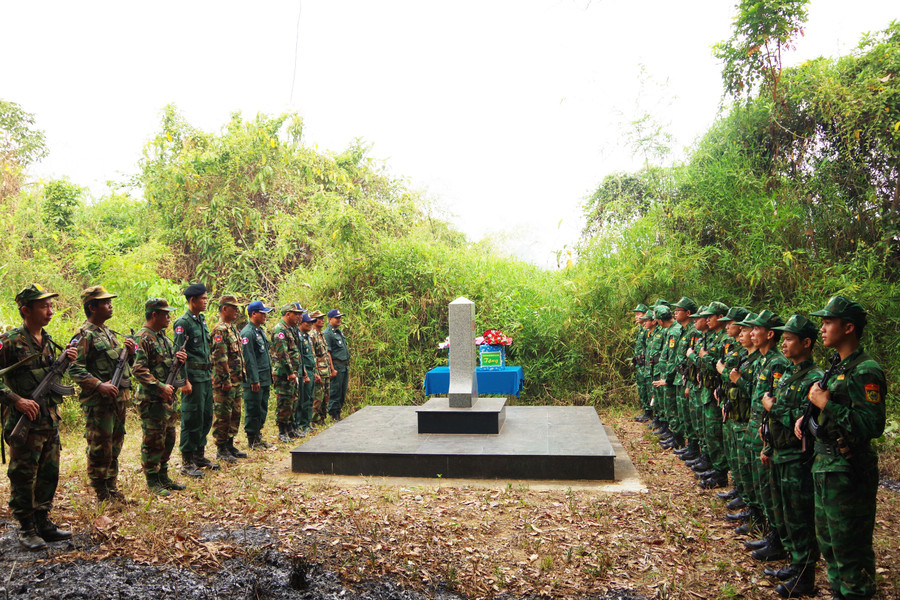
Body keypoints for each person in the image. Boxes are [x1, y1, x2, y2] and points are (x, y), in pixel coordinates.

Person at [797, 296, 886, 600]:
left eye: (828, 322)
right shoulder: (838, 366)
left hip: (848, 472)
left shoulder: (865, 370)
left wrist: (827, 405)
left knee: (851, 549)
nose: (822, 328)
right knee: (831, 546)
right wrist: (809, 414)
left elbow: (871, 426)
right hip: (827, 467)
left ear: (848, 327)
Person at [0, 284, 76, 549]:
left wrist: (66, 360)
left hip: (48, 420)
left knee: (48, 472)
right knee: (23, 474)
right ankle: (26, 527)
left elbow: (51, 380)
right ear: (25, 310)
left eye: (51, 306)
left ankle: (42, 520)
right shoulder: (9, 341)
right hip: (24, 423)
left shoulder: (48, 341)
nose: (50, 311)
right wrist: (16, 400)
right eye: (44, 306)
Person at [762, 315, 823, 597]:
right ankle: (795, 563)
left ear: (806, 343)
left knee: (800, 517)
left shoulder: (814, 379)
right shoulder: (788, 373)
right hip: (780, 454)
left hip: (797, 459)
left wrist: (773, 408)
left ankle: (805, 575)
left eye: (788, 339)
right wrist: (768, 447)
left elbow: (801, 423)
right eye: (782, 339)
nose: (783, 343)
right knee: (786, 514)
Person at [69, 286, 140, 503]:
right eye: (105, 302)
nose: (110, 306)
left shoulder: (109, 333)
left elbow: (121, 364)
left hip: (117, 400)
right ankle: (101, 492)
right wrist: (99, 385)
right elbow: (74, 368)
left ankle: (111, 487)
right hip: (99, 402)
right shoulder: (84, 335)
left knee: (115, 444)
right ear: (92, 307)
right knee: (100, 445)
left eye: (110, 301)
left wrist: (131, 353)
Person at [133, 298, 189, 495]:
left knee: (169, 438)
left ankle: (163, 476)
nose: (169, 317)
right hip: (152, 399)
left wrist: (179, 360)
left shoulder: (163, 337)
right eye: (165, 313)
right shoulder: (143, 337)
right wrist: (159, 387)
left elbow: (166, 364)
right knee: (153, 440)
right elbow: (139, 369)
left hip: (167, 398)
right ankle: (152, 479)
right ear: (154, 314)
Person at [173, 283, 217, 476]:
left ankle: (199, 455)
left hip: (205, 377)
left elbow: (205, 351)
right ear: (193, 300)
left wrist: (211, 374)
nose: (206, 302)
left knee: (206, 416)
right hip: (193, 378)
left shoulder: (201, 320)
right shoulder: (183, 323)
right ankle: (187, 460)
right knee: (192, 417)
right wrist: (184, 381)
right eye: (203, 299)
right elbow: (178, 353)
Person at [210, 295, 247, 462]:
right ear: (224, 309)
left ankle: (230, 444)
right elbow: (219, 357)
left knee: (235, 413)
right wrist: (225, 379)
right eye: (234, 308)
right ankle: (221, 447)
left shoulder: (232, 329)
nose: (237, 311)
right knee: (223, 414)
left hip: (236, 380)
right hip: (225, 382)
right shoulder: (220, 330)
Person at [241, 300, 274, 448]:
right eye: (262, 313)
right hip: (255, 379)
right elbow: (249, 359)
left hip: (264, 377)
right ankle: (252, 438)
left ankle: (258, 436)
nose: (265, 316)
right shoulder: (247, 333)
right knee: (253, 408)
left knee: (262, 407)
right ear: (253, 314)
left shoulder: (259, 331)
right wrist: (254, 380)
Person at [272, 303, 303, 442]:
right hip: (283, 372)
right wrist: (290, 371)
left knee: (292, 400)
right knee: (284, 401)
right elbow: (282, 353)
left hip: (292, 372)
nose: (298, 317)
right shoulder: (280, 330)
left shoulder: (290, 329)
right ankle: (282, 431)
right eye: (295, 314)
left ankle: (290, 428)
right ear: (287, 314)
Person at [309, 310, 335, 424]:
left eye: (322, 318)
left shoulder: (321, 335)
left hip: (326, 370)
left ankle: (322, 418)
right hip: (319, 371)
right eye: (319, 319)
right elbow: (313, 355)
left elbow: (325, 353)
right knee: (317, 397)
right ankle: (315, 419)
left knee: (326, 396)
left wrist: (330, 369)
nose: (322, 321)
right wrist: (315, 372)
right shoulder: (312, 335)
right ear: (314, 321)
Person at [323, 309, 350, 421]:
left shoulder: (338, 332)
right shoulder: (328, 333)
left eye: (340, 317)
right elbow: (328, 352)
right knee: (335, 391)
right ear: (330, 319)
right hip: (336, 366)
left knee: (342, 391)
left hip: (344, 366)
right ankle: (334, 414)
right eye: (337, 318)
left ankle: (338, 412)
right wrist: (332, 369)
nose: (339, 320)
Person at [295, 312, 319, 434]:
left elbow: (310, 355)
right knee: (302, 399)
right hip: (304, 371)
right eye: (307, 323)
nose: (310, 325)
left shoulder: (307, 337)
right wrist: (304, 373)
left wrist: (314, 371)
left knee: (310, 398)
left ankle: (307, 423)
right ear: (300, 323)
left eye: (311, 323)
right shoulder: (298, 337)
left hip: (311, 370)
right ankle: (300, 424)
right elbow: (300, 357)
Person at [631, 303, 651, 422]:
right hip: (640, 363)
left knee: (646, 387)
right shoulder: (641, 329)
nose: (636, 317)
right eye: (636, 315)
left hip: (645, 364)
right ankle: (646, 409)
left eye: (639, 314)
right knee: (642, 387)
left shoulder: (647, 329)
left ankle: (649, 411)